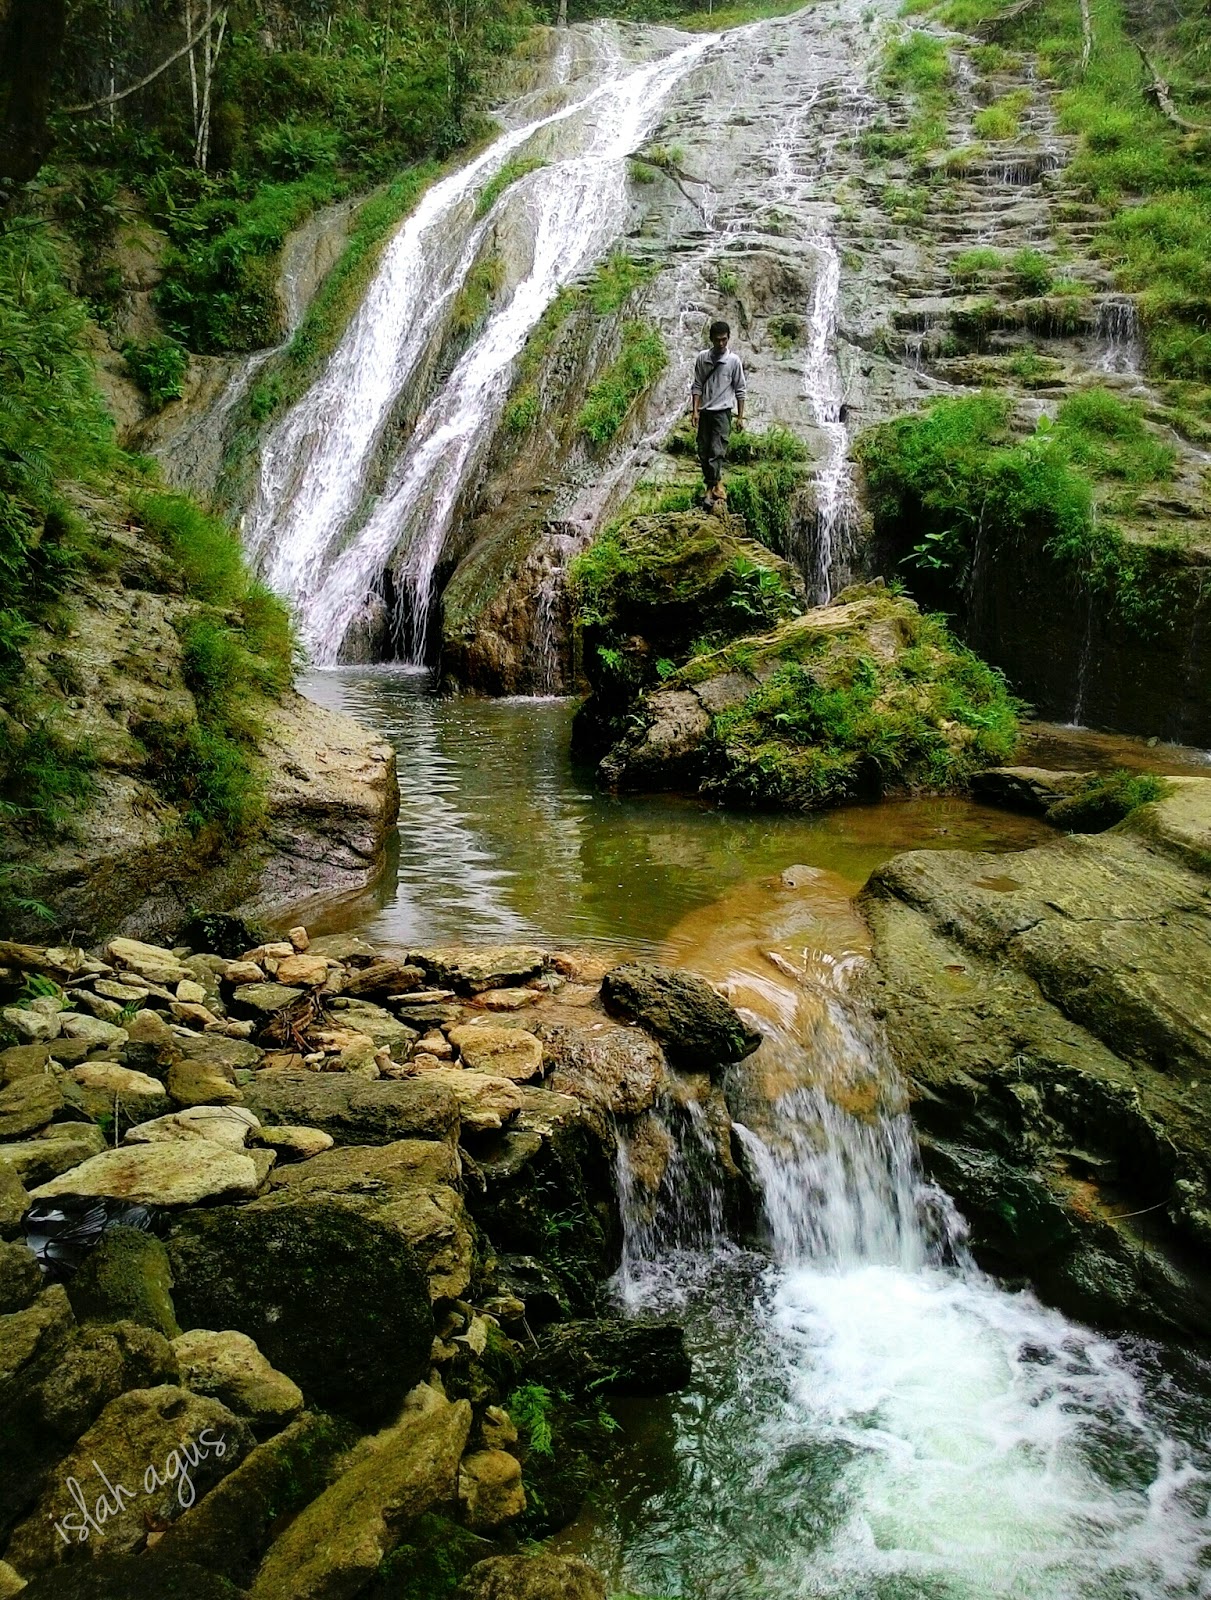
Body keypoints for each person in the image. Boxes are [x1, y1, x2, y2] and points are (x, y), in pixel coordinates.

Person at [690, 320, 746, 507]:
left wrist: (740, 416)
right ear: (711, 339)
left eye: (724, 340)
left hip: (723, 413)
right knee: (703, 451)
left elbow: (740, 389)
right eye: (717, 340)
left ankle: (710, 489)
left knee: (717, 451)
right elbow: (697, 385)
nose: (721, 344)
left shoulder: (733, 361)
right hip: (705, 411)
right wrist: (695, 411)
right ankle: (715, 485)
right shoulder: (702, 358)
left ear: (728, 338)